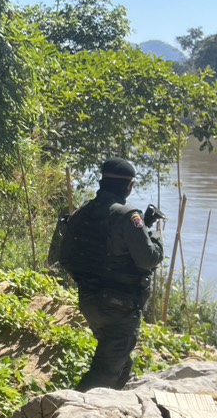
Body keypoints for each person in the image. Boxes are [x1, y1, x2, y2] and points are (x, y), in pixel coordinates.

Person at [61, 157, 165, 391]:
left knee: (120, 363)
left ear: (102, 182)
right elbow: (149, 258)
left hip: (90, 301)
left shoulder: (82, 212)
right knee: (105, 373)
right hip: (120, 307)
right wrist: (156, 235)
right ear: (129, 185)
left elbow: (65, 257)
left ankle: (112, 403)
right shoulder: (129, 216)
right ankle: (72, 406)